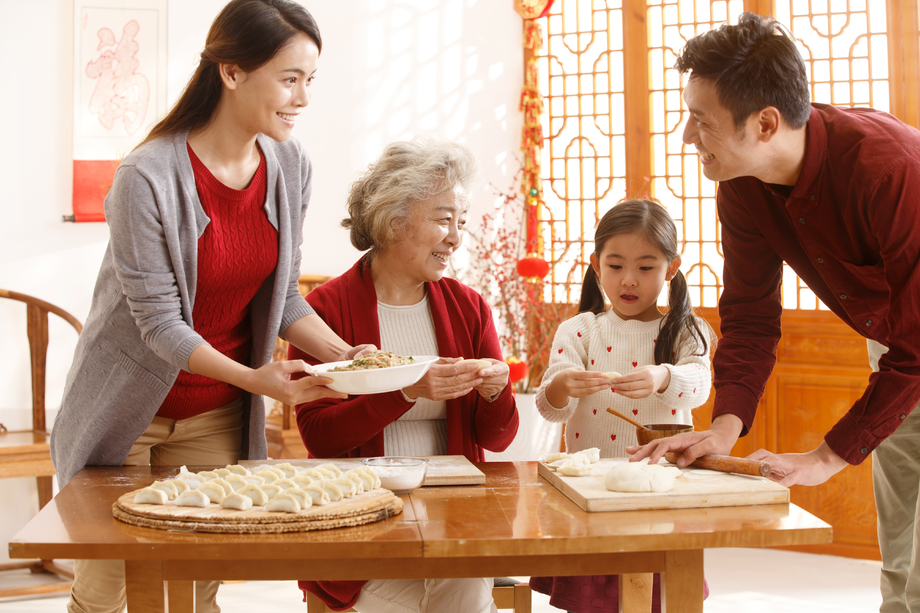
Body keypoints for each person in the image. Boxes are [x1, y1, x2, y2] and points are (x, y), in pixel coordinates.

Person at [50, 2, 371, 612]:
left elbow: (282, 296)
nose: (303, 97)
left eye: (311, 80)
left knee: (196, 594)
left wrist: (347, 357)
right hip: (127, 412)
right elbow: (158, 324)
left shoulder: (290, 165)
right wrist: (258, 378)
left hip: (217, 414)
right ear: (231, 71)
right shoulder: (145, 176)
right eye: (289, 78)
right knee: (106, 591)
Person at [627, 13, 920, 613]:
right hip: (898, 345)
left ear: (765, 123)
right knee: (902, 544)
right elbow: (751, 314)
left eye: (701, 120)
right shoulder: (742, 182)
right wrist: (726, 426)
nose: (688, 137)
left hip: (915, 341)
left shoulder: (888, 169)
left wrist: (824, 458)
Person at [290, 137, 519, 613]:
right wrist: (405, 392)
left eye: (460, 221)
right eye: (442, 219)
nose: (456, 237)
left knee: (465, 585)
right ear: (394, 223)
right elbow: (319, 436)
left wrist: (497, 392)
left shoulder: (468, 306)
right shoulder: (325, 310)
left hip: (455, 517)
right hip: (361, 519)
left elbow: (496, 440)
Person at [529, 199, 713, 613]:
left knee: (659, 597)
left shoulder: (685, 329)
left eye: (646, 268)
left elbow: (699, 386)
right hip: (588, 493)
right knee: (591, 600)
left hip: (659, 491)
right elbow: (549, 407)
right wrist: (561, 384)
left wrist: (662, 376)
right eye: (615, 266)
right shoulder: (580, 329)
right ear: (596, 265)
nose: (629, 280)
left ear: (672, 267)